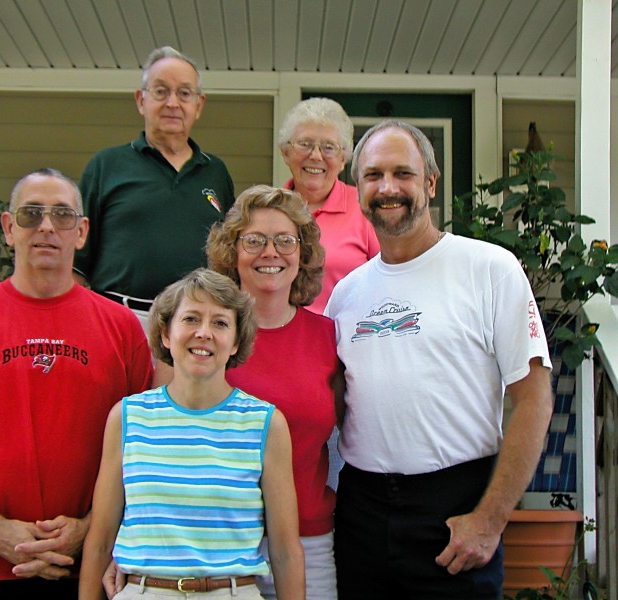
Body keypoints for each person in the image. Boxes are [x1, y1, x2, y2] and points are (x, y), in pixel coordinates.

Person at [325, 120, 553, 599]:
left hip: (456, 509)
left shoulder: (489, 269)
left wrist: (490, 521)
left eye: (402, 173)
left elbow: (533, 399)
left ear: (430, 182)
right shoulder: (346, 295)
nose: (388, 188)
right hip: (360, 513)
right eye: (373, 175)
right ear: (358, 187)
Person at [0, 168, 154, 599]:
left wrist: (90, 526)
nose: (46, 226)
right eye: (31, 214)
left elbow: (144, 442)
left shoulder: (121, 327)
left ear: (82, 232)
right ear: (7, 227)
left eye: (62, 215)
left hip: (88, 569)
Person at [80, 268, 305, 600]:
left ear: (236, 342)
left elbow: (285, 552)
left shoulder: (265, 425)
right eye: (191, 319)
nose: (204, 333)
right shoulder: (127, 418)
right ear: (167, 334)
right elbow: (99, 542)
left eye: (220, 323)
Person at [207, 185, 341, 599]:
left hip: (309, 540)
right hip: (217, 543)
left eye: (285, 240)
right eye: (254, 241)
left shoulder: (328, 337)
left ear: (302, 254)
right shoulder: (206, 334)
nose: (271, 252)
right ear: (232, 253)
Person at [75, 46, 234, 331]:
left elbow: (229, 255)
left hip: (195, 328)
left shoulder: (216, 172)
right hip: (118, 321)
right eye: (161, 91)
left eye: (184, 93)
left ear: (198, 105)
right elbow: (76, 259)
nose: (173, 103)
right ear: (141, 100)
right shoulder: (106, 166)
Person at [278, 97, 379, 314]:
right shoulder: (270, 211)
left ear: (343, 159)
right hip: (280, 341)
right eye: (304, 144)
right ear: (285, 153)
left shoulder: (366, 209)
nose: (315, 156)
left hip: (346, 342)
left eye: (328, 147)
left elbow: (391, 282)